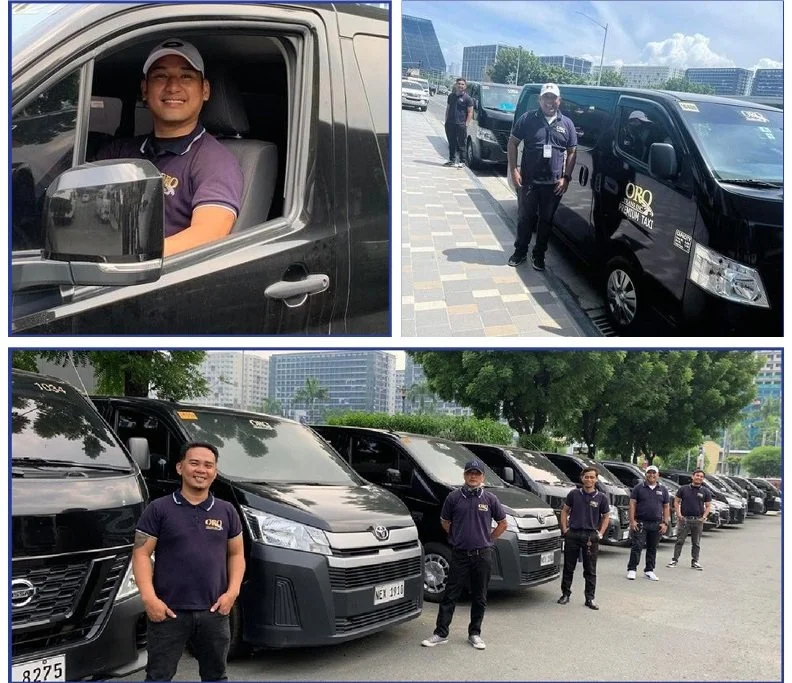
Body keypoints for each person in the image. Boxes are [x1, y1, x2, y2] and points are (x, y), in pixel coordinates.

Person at [96, 38, 244, 257]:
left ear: (205, 90)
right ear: (145, 89)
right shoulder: (118, 152)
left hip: (160, 274)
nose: (173, 87)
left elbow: (208, 235)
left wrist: (128, 258)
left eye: (186, 76)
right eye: (161, 76)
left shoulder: (215, 162)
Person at [132, 442, 245, 681]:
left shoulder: (227, 511)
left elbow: (236, 555)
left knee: (216, 676)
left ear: (215, 472)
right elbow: (141, 554)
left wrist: (232, 594)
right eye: (194, 463)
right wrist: (149, 599)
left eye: (208, 465)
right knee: (158, 677)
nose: (201, 470)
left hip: (214, 612)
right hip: (168, 612)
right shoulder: (158, 509)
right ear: (180, 467)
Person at [421, 459, 507, 650]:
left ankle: (474, 634)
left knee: (479, 596)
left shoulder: (490, 499)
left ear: (482, 477)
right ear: (464, 475)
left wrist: (489, 539)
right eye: (470, 473)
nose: (473, 477)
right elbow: (445, 521)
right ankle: (440, 633)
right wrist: (456, 536)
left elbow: (503, 523)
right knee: (450, 595)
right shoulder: (453, 497)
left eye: (477, 474)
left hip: (482, 554)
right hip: (459, 554)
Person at [507, 82, 577, 271]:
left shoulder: (567, 124)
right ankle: (520, 251)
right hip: (529, 182)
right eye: (546, 97)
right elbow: (512, 143)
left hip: (553, 185)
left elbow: (572, 152)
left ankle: (539, 255)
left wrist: (566, 177)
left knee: (546, 222)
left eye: (553, 98)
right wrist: (514, 170)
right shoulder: (527, 119)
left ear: (559, 100)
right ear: (540, 99)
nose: (549, 102)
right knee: (525, 219)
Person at [557, 465, 610, 610]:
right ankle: (565, 594)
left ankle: (590, 598)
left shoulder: (601, 498)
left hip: (590, 536)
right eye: (586, 477)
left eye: (592, 477)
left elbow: (606, 517)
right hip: (573, 534)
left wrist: (600, 533)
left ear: (596, 479)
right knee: (568, 567)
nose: (589, 479)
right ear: (582, 478)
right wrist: (565, 529)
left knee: (590, 569)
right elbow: (564, 510)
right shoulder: (574, 494)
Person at [626, 465, 670, 581]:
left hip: (656, 523)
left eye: (654, 473)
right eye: (649, 473)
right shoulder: (638, 488)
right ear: (645, 475)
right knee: (637, 546)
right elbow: (632, 504)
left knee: (652, 547)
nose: (651, 475)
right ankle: (632, 569)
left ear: (658, 475)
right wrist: (632, 521)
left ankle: (649, 570)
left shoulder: (663, 490)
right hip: (641, 522)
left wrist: (665, 523)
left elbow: (666, 507)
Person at [667, 468, 712, 570]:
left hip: (698, 520)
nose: (699, 478)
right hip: (684, 519)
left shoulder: (705, 491)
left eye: (701, 477)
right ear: (692, 476)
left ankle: (695, 561)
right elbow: (676, 501)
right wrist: (678, 514)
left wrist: (704, 517)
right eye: (697, 475)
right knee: (679, 541)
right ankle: (674, 560)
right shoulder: (683, 489)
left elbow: (708, 506)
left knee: (696, 543)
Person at [443, 78, 473, 168]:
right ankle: (451, 160)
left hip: (461, 124)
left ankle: (462, 161)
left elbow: (470, 112)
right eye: (459, 84)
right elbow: (448, 108)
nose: (460, 85)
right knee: (451, 142)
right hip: (450, 123)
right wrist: (446, 120)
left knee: (462, 143)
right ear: (456, 85)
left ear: (465, 86)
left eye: (462, 84)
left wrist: (466, 124)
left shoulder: (468, 99)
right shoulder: (451, 96)